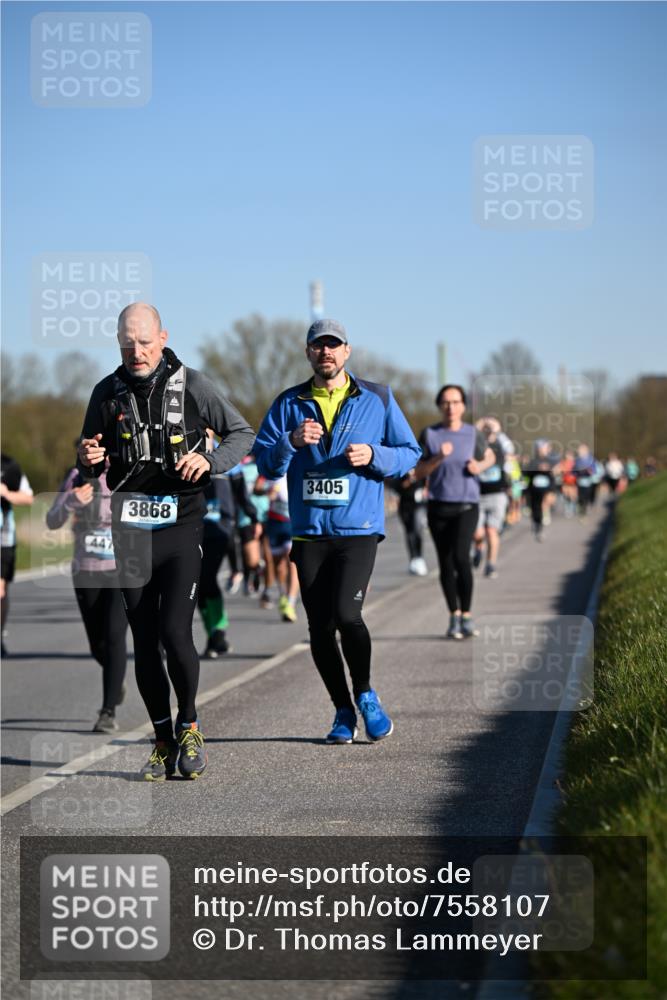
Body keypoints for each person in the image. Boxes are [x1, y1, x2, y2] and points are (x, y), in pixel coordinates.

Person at [77, 303, 254, 780]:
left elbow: (242, 434)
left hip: (181, 524)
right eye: (126, 342)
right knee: (145, 639)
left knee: (176, 631)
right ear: (117, 341)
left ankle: (190, 725)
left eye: (144, 341)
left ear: (162, 337)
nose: (136, 351)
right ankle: (161, 739)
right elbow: (89, 458)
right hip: (130, 525)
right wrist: (89, 456)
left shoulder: (194, 384)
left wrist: (211, 462)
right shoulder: (106, 392)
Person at [254, 318, 421, 744]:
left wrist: (374, 455)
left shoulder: (378, 397)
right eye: (318, 346)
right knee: (319, 627)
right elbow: (266, 465)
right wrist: (290, 441)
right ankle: (342, 711)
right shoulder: (289, 403)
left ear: (347, 352)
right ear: (308, 353)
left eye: (334, 345)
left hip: (358, 528)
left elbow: (410, 453)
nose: (325, 352)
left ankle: (365, 694)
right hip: (310, 532)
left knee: (348, 615)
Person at [46, 461, 129, 731]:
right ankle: (115, 679)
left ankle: (107, 712)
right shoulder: (76, 475)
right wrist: (70, 500)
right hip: (86, 570)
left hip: (124, 570)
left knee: (115, 636)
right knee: (97, 644)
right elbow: (52, 519)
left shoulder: (130, 472)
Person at [414, 386, 495, 639]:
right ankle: (454, 615)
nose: (451, 407)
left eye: (456, 402)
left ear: (463, 406)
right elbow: (418, 472)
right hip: (438, 506)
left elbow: (491, 457)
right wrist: (438, 457)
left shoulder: (473, 434)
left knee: (461, 557)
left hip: (466, 506)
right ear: (440, 406)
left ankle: (467, 616)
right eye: (446, 402)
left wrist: (479, 465)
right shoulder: (429, 434)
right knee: (445, 563)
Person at [1, 453, 34, 657]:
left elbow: (28, 497)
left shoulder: (9, 466)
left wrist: (6, 494)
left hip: (3, 539)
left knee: (1, 589)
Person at [471, 417, 511, 579]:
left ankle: (491, 564)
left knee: (491, 531)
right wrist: (480, 423)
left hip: (497, 494)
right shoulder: (477, 446)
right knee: (477, 533)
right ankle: (478, 549)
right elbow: (470, 435)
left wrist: (495, 426)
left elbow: (510, 447)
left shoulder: (501, 446)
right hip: (478, 495)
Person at [388, 468, 428, 576]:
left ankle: (419, 557)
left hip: (419, 505)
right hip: (405, 506)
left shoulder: (421, 469)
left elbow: (427, 481)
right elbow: (395, 488)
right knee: (409, 533)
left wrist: (425, 489)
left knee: (417, 530)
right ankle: (413, 559)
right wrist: (408, 481)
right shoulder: (401, 471)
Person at [523, 441, 556, 541]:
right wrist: (537, 468)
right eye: (541, 449)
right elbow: (527, 474)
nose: (542, 451)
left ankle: (540, 527)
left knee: (543, 506)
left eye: (544, 449)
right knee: (535, 509)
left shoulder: (550, 461)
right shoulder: (533, 461)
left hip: (545, 489)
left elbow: (552, 477)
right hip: (534, 490)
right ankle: (536, 522)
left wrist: (552, 490)